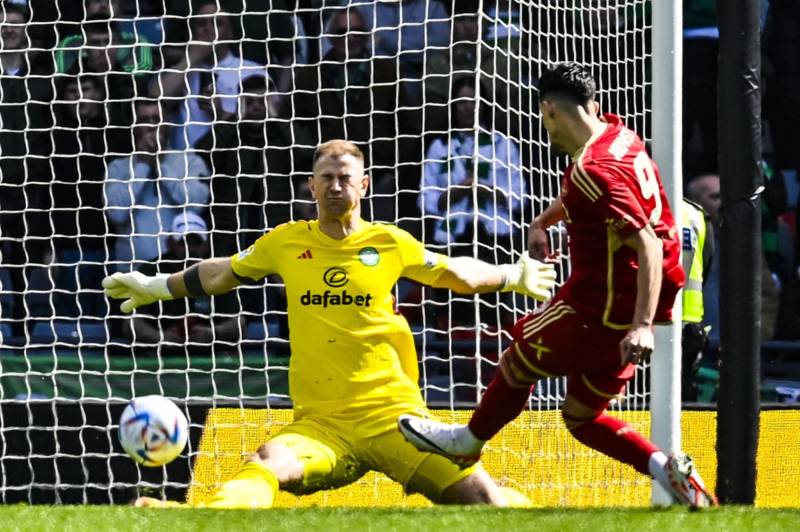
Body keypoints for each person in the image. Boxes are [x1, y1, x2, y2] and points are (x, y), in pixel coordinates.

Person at [103, 139, 557, 508]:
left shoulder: (390, 242)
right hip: (321, 424)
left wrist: (511, 276)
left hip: (395, 418)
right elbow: (220, 273)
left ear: (364, 185)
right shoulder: (284, 242)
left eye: (345, 178)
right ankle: (198, 520)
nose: (336, 186)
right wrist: (157, 286)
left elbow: (454, 273)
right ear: (311, 187)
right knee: (266, 461)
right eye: (327, 178)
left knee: (485, 505)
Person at [397, 63, 718, 508]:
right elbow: (593, 198)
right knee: (582, 417)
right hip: (637, 297)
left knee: (519, 358)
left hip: (602, 305)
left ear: (548, 110)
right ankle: (670, 471)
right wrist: (545, 219)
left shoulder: (591, 168)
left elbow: (642, 240)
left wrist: (641, 325)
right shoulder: (620, 135)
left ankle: (468, 440)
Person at [104, 98, 210, 271]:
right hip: (132, 272)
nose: (151, 126)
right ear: (134, 126)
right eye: (145, 120)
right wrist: (143, 166)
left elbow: (197, 207)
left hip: (178, 272)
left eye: (157, 119)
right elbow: (116, 213)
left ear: (167, 123)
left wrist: (161, 166)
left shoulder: (190, 161)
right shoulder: (118, 167)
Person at [123, 212, 242, 356]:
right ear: (170, 243)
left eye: (196, 242)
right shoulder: (150, 272)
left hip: (210, 356)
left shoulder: (220, 270)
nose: (190, 249)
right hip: (159, 357)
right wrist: (161, 338)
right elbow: (130, 323)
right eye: (183, 242)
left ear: (206, 245)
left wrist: (213, 334)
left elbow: (240, 322)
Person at [679, 198, 714, 401]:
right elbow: (706, 266)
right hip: (689, 326)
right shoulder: (695, 213)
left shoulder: (628, 203)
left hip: (635, 324)